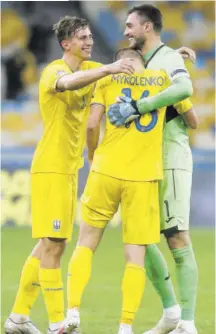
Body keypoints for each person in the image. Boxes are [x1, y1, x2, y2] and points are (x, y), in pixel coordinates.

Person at [4, 16, 135, 334]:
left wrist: (167, 58)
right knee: (55, 244)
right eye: (82, 37)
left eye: (90, 36)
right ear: (66, 44)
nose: (89, 41)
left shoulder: (90, 69)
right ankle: (57, 323)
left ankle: (18, 319)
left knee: (47, 245)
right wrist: (106, 70)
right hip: (50, 166)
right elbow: (66, 84)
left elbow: (124, 68)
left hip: (69, 169)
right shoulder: (54, 70)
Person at [59, 48, 195, 334]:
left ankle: (71, 312)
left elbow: (93, 124)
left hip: (105, 171)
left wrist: (93, 156)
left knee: (85, 243)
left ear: (120, 61)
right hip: (143, 177)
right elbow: (193, 121)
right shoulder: (162, 79)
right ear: (144, 63)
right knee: (135, 254)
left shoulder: (107, 80)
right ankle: (126, 326)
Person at [108, 5, 199, 334]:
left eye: (130, 26)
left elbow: (185, 90)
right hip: (144, 162)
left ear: (147, 26)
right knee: (140, 240)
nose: (126, 31)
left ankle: (187, 324)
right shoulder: (146, 63)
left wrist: (138, 106)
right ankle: (171, 312)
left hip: (171, 157)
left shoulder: (168, 59)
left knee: (176, 236)